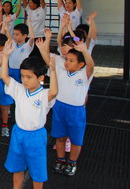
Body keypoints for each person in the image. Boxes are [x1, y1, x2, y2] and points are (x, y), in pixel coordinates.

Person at [1, 40, 58, 189]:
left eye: (29, 77)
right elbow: (5, 78)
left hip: (36, 136)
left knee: (37, 170)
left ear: (41, 78)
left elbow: (54, 92)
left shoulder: (44, 94)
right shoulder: (19, 89)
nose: (24, 80)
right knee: (17, 167)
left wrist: (53, 70)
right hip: (18, 133)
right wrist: (5, 57)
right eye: (23, 76)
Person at [47, 41, 94, 176]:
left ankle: (72, 162)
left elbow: (91, 65)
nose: (67, 62)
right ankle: (60, 160)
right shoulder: (62, 71)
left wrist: (84, 51)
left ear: (80, 65)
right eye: (67, 59)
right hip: (60, 107)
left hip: (76, 112)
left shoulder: (84, 74)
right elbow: (47, 59)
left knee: (75, 140)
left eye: (71, 61)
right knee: (60, 137)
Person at [4, 17, 35, 83]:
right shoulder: (13, 43)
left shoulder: (27, 46)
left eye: (17, 34)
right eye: (14, 34)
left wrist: (29, 22)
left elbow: (32, 37)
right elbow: (8, 34)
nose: (14, 36)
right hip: (10, 70)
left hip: (20, 71)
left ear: (25, 36)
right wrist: (6, 23)